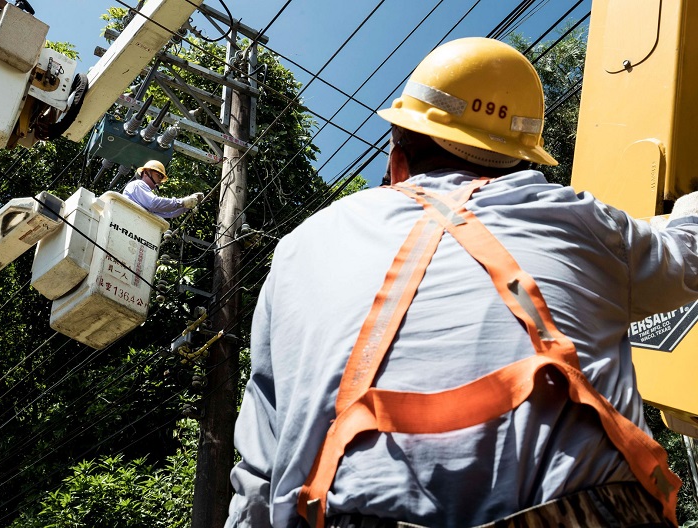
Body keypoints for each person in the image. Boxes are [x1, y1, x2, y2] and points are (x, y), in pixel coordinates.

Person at [226, 37, 698, 528]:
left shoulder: (302, 246)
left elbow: (260, 470)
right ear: (518, 161)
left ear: (398, 158)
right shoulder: (580, 220)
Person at [122, 160, 203, 219]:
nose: (160, 181)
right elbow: (154, 203)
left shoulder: (146, 199)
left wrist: (187, 205)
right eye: (159, 176)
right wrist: (182, 202)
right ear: (147, 172)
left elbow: (168, 213)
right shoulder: (137, 184)